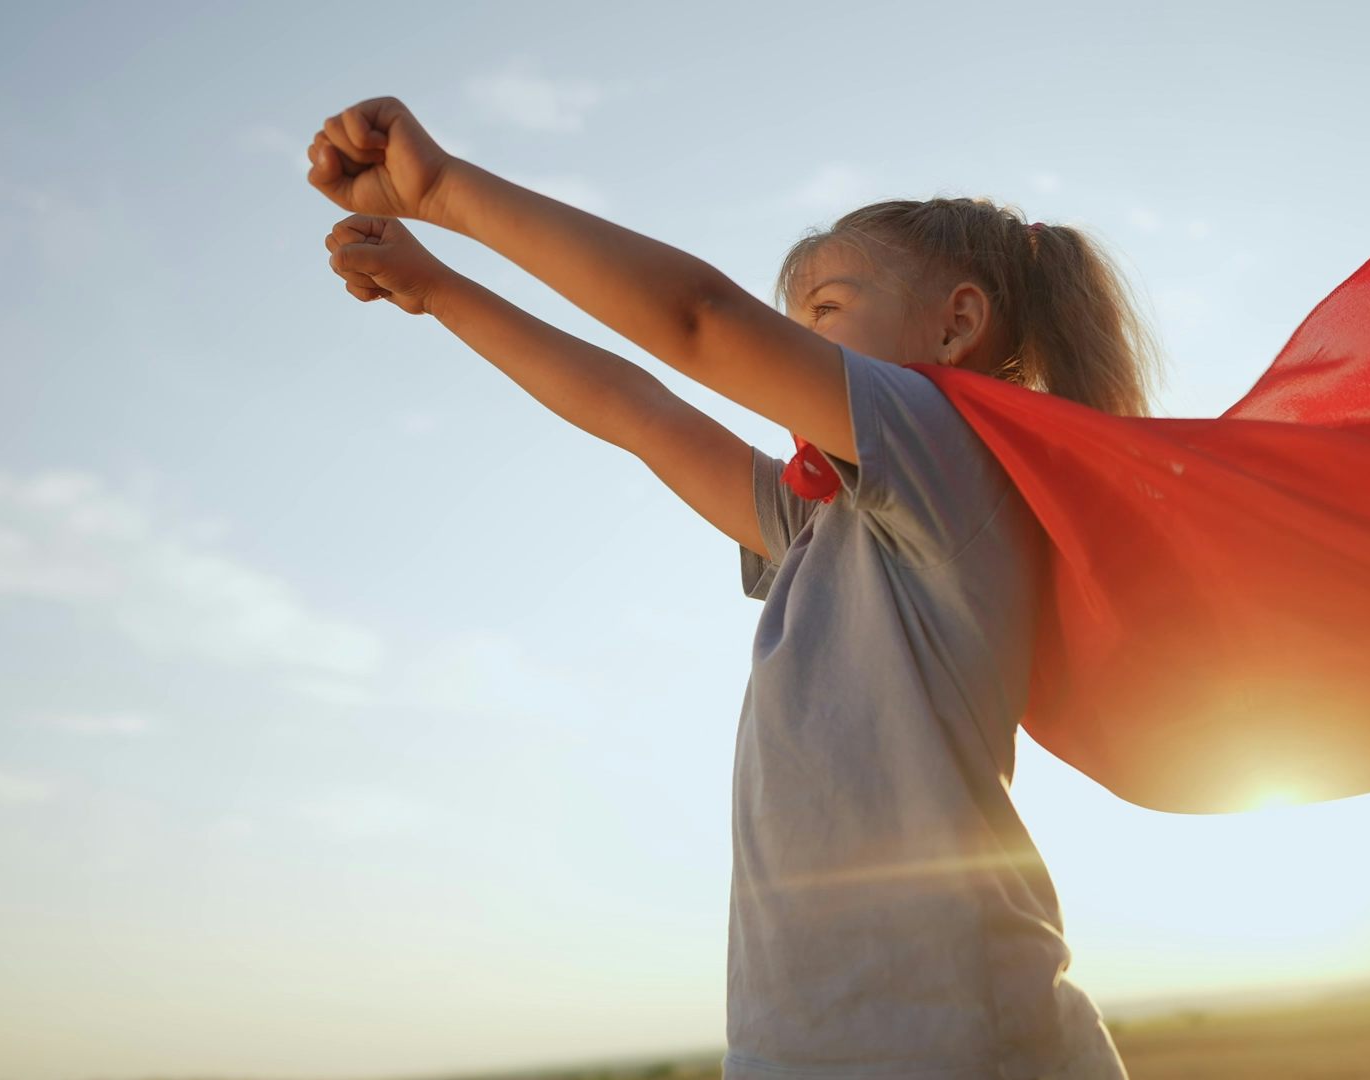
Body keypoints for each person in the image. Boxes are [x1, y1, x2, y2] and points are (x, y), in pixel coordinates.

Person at [308, 97, 1151, 1078]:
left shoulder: (947, 448)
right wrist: (441, 291)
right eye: (788, 322)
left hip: (957, 1040)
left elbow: (699, 323)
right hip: (805, 1043)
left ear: (956, 326)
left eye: (823, 312)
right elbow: (640, 413)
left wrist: (446, 193)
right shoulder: (824, 522)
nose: (784, 350)